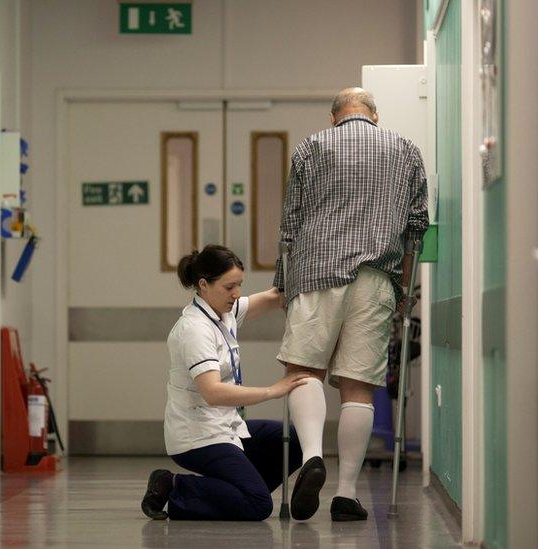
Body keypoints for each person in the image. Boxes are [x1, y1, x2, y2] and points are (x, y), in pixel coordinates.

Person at [275, 87, 429, 522]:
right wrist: (403, 290)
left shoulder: (311, 146)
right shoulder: (405, 150)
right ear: (375, 117)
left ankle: (310, 458)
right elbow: (417, 228)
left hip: (317, 272)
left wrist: (283, 284)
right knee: (357, 386)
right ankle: (345, 494)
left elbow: (290, 223)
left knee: (303, 371)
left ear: (333, 118)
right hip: (377, 278)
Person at [141, 245, 311, 521]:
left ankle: (236, 491)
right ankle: (173, 486)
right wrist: (273, 390)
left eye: (239, 285)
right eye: (229, 286)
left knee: (295, 439)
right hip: (197, 437)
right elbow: (213, 392)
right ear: (203, 285)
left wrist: (305, 273)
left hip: (227, 427)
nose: (236, 294)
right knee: (258, 505)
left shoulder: (223, 312)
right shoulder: (195, 329)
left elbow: (272, 298)